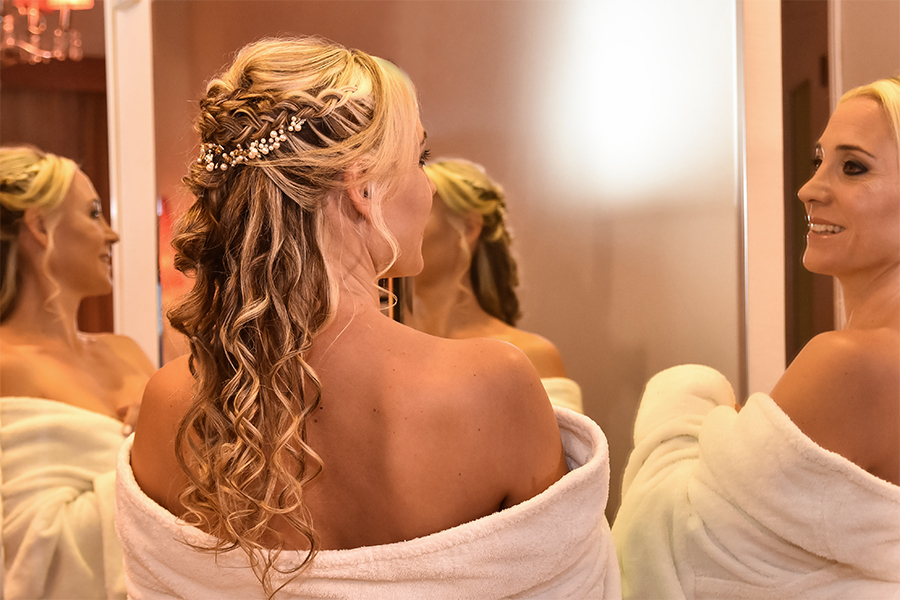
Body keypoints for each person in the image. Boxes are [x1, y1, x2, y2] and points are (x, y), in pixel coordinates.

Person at [115, 37, 621, 599]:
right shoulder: (495, 385)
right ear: (362, 186)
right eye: (420, 159)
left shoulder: (170, 407)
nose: (428, 187)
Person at [612, 76, 900, 599]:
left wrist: (685, 395)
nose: (810, 188)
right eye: (819, 160)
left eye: (853, 166)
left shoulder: (851, 363)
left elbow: (663, 545)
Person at [0, 145, 155, 599]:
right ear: (39, 227)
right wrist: (157, 447)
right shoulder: (5, 367)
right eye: (93, 214)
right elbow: (32, 547)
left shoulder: (126, 352)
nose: (112, 236)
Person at [409, 158, 583, 412]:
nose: (393, 224)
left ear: (468, 228)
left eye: (418, 208)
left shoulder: (532, 356)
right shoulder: (380, 350)